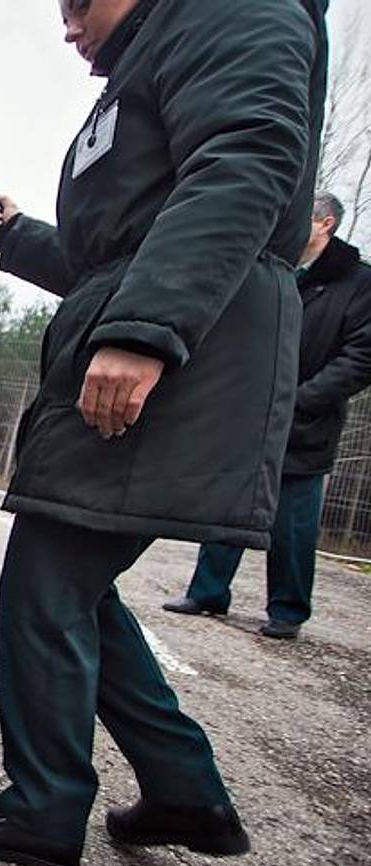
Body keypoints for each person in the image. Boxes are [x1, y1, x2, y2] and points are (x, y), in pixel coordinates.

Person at [0, 0, 328, 866]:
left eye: (76, 4)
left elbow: (246, 164)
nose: (66, 27)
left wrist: (145, 329)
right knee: (72, 583)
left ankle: (41, 808)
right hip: (156, 329)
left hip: (182, 352)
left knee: (48, 580)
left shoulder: (234, 9)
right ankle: (184, 789)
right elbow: (116, 250)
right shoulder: (159, 53)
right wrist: (17, 238)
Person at [163, 192, 371, 639]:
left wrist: (300, 398)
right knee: (227, 505)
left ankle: (288, 610)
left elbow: (360, 358)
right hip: (249, 412)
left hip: (305, 419)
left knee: (293, 522)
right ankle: (208, 593)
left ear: (326, 224)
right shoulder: (273, 269)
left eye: (302, 219)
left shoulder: (358, 283)